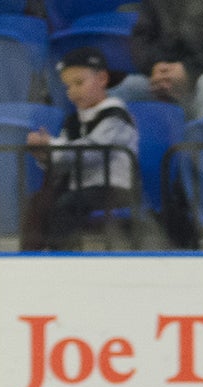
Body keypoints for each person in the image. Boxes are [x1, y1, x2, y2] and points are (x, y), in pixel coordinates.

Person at [23, 47, 140, 251]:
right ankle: (30, 261)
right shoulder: (73, 121)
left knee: (68, 205)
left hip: (113, 188)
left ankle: (64, 260)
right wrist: (44, 155)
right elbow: (66, 159)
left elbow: (92, 152)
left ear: (102, 79)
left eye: (79, 83)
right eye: (68, 86)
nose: (73, 91)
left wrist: (51, 145)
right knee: (38, 203)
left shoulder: (116, 117)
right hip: (82, 189)